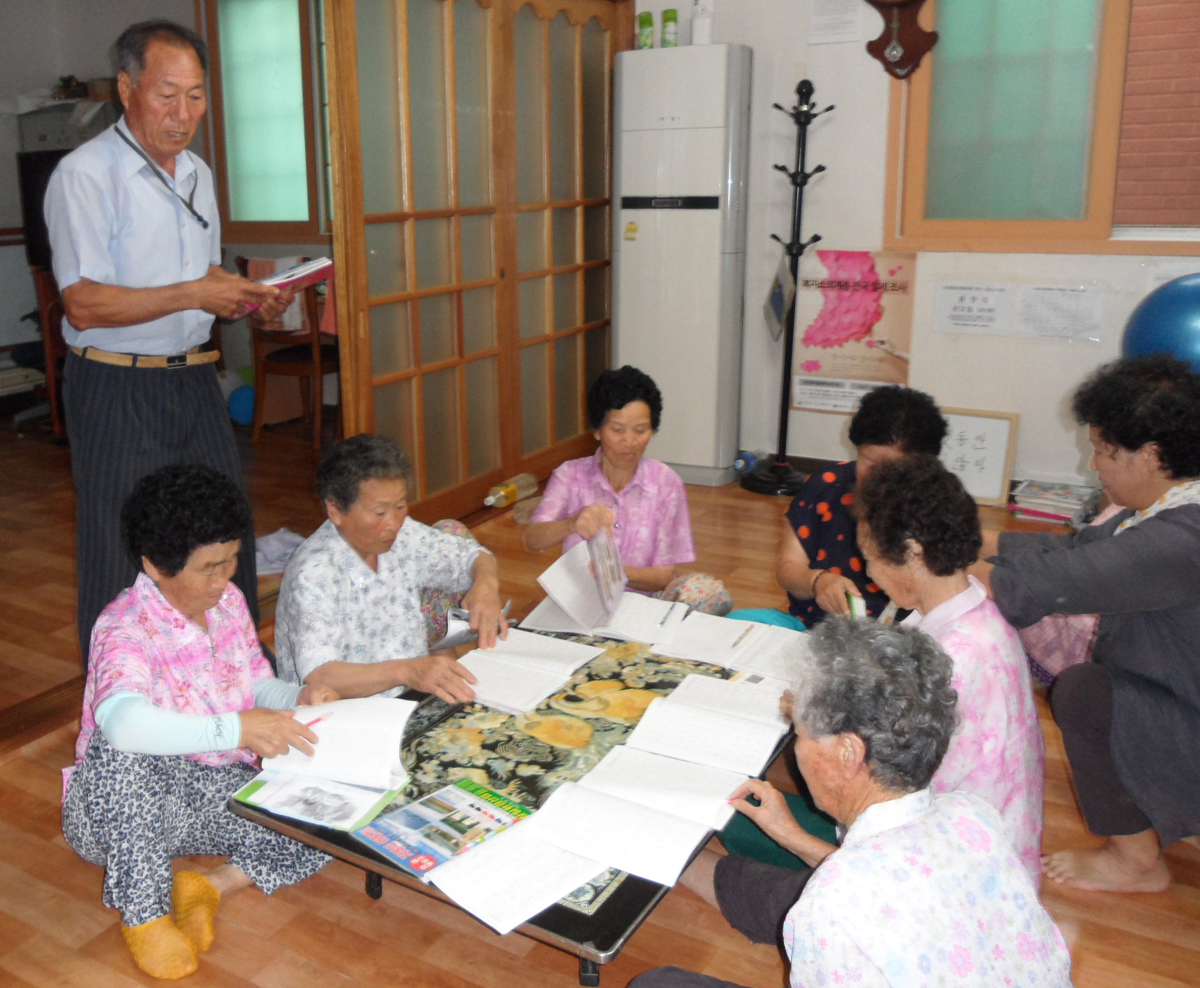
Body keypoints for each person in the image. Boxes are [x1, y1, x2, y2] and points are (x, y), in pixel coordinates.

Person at [631, 618, 1073, 988]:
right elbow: (882, 887)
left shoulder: (834, 905)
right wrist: (794, 838)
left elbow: (848, 899)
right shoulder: (971, 816)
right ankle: (676, 859)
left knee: (654, 984)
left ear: (848, 753)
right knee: (784, 894)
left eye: (800, 735)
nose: (797, 749)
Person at [45, 20, 293, 664]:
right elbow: (84, 303)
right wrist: (195, 294)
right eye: (166, 95)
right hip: (115, 381)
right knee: (122, 540)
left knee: (225, 525)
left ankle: (233, 675)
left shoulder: (196, 173)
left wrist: (249, 303)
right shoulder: (85, 174)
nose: (183, 115)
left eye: (196, 96)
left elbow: (203, 284)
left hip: (191, 378)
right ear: (127, 88)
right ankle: (119, 703)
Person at [713, 455, 1045, 889]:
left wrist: (793, 830)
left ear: (911, 553)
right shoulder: (975, 611)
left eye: (868, 556)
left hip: (936, 878)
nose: (868, 572)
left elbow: (883, 798)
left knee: (726, 811)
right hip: (985, 847)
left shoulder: (951, 660)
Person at [62, 465, 333, 980]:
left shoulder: (227, 603)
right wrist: (237, 729)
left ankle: (210, 886)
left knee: (325, 815)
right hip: (115, 814)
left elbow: (254, 682)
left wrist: (297, 696)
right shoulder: (123, 625)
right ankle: (145, 916)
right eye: (209, 567)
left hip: (200, 796)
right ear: (155, 565)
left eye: (231, 561)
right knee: (123, 745)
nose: (224, 579)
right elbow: (122, 725)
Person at [987, 354, 1200, 894]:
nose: (1094, 465)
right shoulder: (1169, 507)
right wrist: (974, 542)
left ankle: (1137, 863)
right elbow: (1076, 549)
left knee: (1086, 693)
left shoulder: (1180, 539)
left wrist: (937, 565)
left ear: (1151, 456)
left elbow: (1046, 585)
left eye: (1104, 451)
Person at [274, 433, 507, 703]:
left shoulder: (402, 535)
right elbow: (320, 675)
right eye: (380, 512)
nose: (394, 523)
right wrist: (407, 671)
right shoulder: (313, 573)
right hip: (349, 715)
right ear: (335, 510)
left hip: (410, 690)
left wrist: (486, 586)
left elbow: (470, 555)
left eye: (400, 506)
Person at [729, 385, 948, 630]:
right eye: (869, 462)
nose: (878, 477)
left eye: (892, 467)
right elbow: (788, 568)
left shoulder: (936, 504)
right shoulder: (827, 485)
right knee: (736, 625)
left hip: (898, 640)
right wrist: (818, 581)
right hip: (815, 628)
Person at [524, 365, 731, 614]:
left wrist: (614, 573)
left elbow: (664, 576)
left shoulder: (665, 483)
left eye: (641, 430)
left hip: (644, 605)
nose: (629, 442)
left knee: (709, 593)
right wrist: (571, 524)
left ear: (652, 431)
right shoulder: (570, 476)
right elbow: (533, 539)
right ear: (597, 431)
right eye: (617, 430)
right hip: (582, 603)